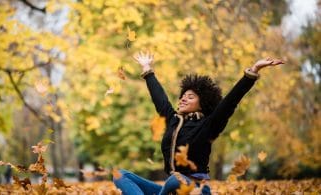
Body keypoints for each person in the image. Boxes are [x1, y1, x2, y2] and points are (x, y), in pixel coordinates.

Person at [113, 51, 284, 195]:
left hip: (195, 189)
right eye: (183, 96)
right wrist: (147, 68)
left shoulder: (209, 125)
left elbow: (230, 101)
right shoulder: (172, 120)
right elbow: (160, 98)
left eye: (190, 97)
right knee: (120, 174)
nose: (183, 99)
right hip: (171, 189)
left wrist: (253, 71)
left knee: (175, 180)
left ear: (203, 103)